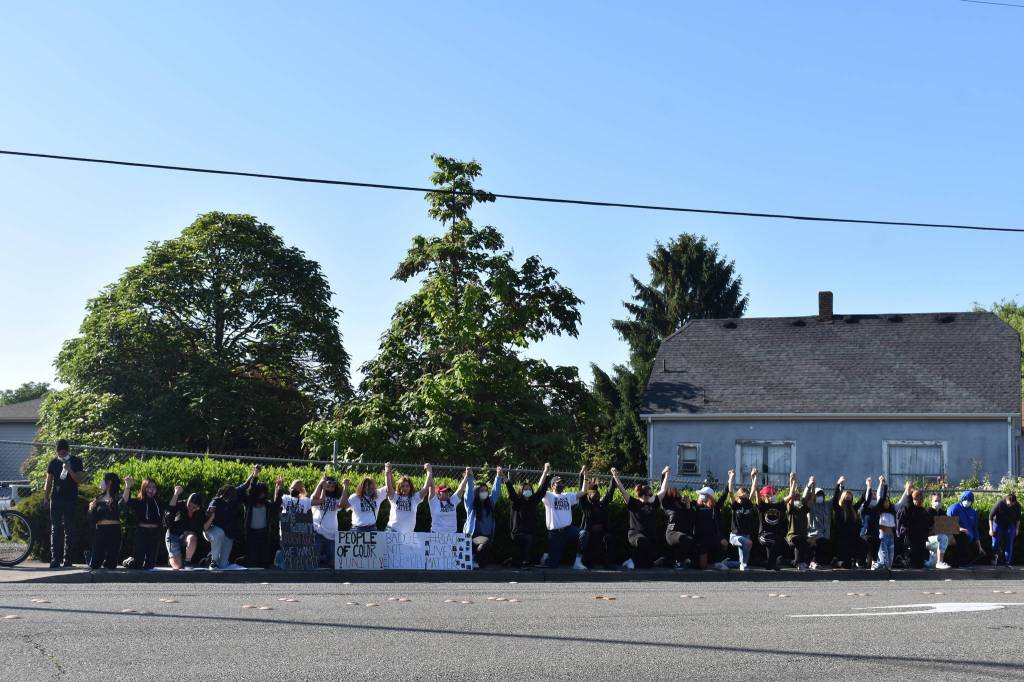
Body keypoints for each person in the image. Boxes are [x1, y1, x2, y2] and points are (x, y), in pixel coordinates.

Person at [42, 439, 84, 568]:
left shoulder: (76, 461)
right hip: (56, 499)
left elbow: (79, 480)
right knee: (55, 529)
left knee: (69, 529)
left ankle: (68, 560)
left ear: (67, 450)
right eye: (59, 452)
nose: (61, 454)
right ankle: (55, 559)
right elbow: (48, 482)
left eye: (63, 452)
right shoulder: (53, 463)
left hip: (70, 499)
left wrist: (69, 469)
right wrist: (46, 497)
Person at [204, 468, 255, 570]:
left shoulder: (235, 496)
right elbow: (206, 522)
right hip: (212, 530)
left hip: (228, 533)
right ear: (224, 495)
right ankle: (213, 561)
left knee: (223, 565)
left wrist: (255, 473)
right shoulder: (216, 502)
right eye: (229, 496)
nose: (232, 498)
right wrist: (211, 514)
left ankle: (211, 558)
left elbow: (246, 485)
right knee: (220, 533)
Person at [610, 467, 659, 569]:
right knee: (642, 541)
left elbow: (662, 491)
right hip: (635, 535)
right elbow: (623, 491)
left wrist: (666, 473)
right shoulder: (634, 503)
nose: (652, 496)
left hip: (649, 536)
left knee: (647, 565)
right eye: (650, 494)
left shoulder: (652, 505)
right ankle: (630, 561)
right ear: (644, 496)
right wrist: (615, 476)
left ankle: (638, 562)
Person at [541, 463, 585, 569]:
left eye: (562, 483)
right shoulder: (548, 496)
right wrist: (545, 472)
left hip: (568, 530)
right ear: (552, 486)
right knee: (553, 565)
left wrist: (585, 476)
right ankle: (546, 556)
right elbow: (540, 487)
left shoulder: (567, 496)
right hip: (555, 533)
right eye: (558, 483)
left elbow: (583, 492)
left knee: (583, 534)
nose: (561, 484)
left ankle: (578, 562)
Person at [504, 471, 548, 568]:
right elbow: (511, 492)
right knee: (518, 556)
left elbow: (541, 491)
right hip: (517, 533)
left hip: (529, 533)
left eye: (529, 489)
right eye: (525, 489)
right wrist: (506, 480)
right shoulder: (517, 501)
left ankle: (523, 560)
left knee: (529, 542)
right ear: (521, 490)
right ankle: (515, 560)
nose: (527, 490)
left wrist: (547, 474)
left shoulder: (533, 501)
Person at [87, 472, 130, 570]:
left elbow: (123, 502)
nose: (101, 482)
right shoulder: (98, 498)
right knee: (94, 565)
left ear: (109, 482)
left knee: (111, 565)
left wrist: (127, 487)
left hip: (114, 530)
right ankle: (91, 558)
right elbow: (92, 519)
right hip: (100, 531)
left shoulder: (116, 497)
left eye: (103, 480)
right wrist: (91, 509)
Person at [464, 466, 504, 568]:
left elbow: (496, 492)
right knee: (483, 545)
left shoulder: (490, 502)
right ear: (477, 492)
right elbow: (468, 493)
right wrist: (470, 477)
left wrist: (498, 477)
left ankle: (475, 559)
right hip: (473, 536)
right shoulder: (471, 504)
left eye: (486, 490)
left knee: (483, 564)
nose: (484, 492)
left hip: (487, 535)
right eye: (482, 490)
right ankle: (473, 558)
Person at [658, 466, 696, 569]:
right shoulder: (667, 504)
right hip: (671, 533)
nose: (678, 491)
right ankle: (679, 562)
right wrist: (665, 474)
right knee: (685, 539)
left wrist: (688, 503)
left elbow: (690, 516)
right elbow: (663, 488)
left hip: (682, 532)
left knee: (689, 540)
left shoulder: (682, 504)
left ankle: (680, 560)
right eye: (676, 490)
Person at [125, 477, 164, 570]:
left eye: (154, 487)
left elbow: (171, 507)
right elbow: (125, 501)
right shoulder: (139, 501)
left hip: (155, 533)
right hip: (142, 532)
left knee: (150, 565)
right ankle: (128, 561)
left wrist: (176, 494)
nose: (151, 490)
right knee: (137, 565)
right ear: (144, 488)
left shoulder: (158, 502)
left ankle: (141, 561)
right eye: (149, 487)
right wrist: (128, 486)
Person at [751, 468, 786, 570]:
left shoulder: (777, 506)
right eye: (769, 495)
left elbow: (790, 496)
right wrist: (754, 477)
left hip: (773, 535)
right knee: (777, 540)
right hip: (763, 535)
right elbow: (757, 491)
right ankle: (771, 564)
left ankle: (770, 564)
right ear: (763, 496)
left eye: (773, 494)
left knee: (778, 541)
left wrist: (792, 481)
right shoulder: (762, 506)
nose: (771, 496)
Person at [164, 488, 205, 570]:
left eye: (194, 507)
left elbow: (199, 529)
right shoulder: (180, 505)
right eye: (189, 504)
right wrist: (176, 494)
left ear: (198, 507)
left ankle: (187, 561)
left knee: (192, 537)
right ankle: (171, 557)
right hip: (173, 534)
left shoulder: (200, 512)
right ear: (187, 501)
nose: (190, 508)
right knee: (178, 566)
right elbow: (169, 512)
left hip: (186, 536)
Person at [311, 475, 346, 567]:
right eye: (328, 485)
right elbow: (313, 499)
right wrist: (321, 483)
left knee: (332, 563)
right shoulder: (319, 498)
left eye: (332, 486)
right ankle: (320, 557)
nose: (330, 487)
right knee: (314, 561)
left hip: (332, 535)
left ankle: (322, 557)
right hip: (318, 533)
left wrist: (345, 487)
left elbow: (342, 505)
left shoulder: (336, 499)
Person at [386, 463, 432, 533]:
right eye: (402, 486)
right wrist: (387, 471)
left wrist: (429, 471)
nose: (405, 488)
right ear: (399, 487)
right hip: (392, 531)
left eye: (407, 486)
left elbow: (425, 488)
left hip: (408, 534)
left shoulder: (415, 498)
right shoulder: (395, 496)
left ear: (410, 487)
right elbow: (389, 486)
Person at [895, 482, 931, 569]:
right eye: (915, 499)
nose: (917, 501)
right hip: (911, 538)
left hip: (921, 539)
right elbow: (908, 504)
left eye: (919, 498)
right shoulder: (909, 509)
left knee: (920, 562)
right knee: (912, 561)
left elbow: (927, 525)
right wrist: (908, 491)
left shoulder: (924, 511)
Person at [342, 467, 390, 532]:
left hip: (372, 528)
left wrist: (387, 473)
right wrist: (345, 487)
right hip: (357, 529)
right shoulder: (355, 497)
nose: (370, 489)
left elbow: (389, 488)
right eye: (367, 487)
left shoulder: (378, 494)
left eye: (372, 487)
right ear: (362, 487)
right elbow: (344, 506)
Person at [727, 469, 757, 571]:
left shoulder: (748, 505)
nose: (743, 499)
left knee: (742, 561)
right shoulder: (735, 505)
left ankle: (725, 563)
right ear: (738, 496)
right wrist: (731, 477)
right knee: (748, 543)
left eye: (745, 496)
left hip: (746, 535)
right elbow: (730, 491)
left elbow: (752, 492)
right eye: (741, 497)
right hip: (735, 536)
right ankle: (743, 565)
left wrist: (754, 477)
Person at [694, 483, 728, 571]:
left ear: (710, 496)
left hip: (713, 538)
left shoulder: (715, 508)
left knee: (724, 543)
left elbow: (724, 495)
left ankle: (719, 561)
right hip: (700, 539)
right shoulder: (696, 507)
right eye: (701, 495)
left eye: (704, 495)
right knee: (703, 567)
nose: (702, 496)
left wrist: (730, 479)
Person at [832, 476, 865, 569]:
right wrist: (839, 485)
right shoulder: (838, 509)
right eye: (847, 495)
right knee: (846, 565)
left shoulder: (853, 509)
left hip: (853, 538)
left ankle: (860, 562)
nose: (848, 496)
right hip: (842, 539)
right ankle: (836, 562)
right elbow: (835, 499)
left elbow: (862, 499)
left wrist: (868, 487)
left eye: (850, 495)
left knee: (864, 544)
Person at [243, 474, 273, 568]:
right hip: (251, 531)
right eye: (260, 492)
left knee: (263, 552)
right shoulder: (250, 503)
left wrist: (278, 489)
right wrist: (255, 476)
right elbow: (251, 490)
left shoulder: (267, 504)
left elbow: (276, 503)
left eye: (264, 492)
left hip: (263, 531)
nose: (262, 494)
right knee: (252, 553)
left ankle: (263, 563)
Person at [947, 490, 983, 567]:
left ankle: (964, 562)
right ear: (962, 499)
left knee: (976, 552)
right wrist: (959, 528)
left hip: (969, 539)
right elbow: (948, 522)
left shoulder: (973, 512)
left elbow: (975, 529)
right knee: (962, 537)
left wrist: (979, 546)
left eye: (969, 500)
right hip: (956, 535)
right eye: (965, 499)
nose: (967, 501)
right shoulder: (954, 508)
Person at [785, 473, 813, 571]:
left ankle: (796, 562)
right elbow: (790, 496)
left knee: (809, 542)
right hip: (791, 536)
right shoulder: (791, 509)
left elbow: (811, 498)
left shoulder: (803, 509)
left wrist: (813, 485)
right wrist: (792, 481)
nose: (797, 499)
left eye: (798, 498)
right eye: (795, 498)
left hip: (802, 535)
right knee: (799, 540)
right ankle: (800, 563)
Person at [428, 468, 469, 534]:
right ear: (438, 493)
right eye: (444, 491)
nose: (447, 493)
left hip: (452, 535)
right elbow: (431, 486)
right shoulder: (434, 501)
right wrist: (429, 471)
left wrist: (466, 476)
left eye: (447, 491)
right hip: (436, 534)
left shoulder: (453, 500)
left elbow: (460, 489)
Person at [859, 476, 886, 568]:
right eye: (872, 498)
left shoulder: (876, 509)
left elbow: (881, 497)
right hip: (865, 535)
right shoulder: (864, 509)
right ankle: (861, 562)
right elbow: (867, 498)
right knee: (866, 545)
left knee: (876, 542)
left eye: (875, 498)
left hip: (874, 535)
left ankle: (873, 560)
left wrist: (882, 484)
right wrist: (869, 486)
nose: (874, 499)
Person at [989, 493, 1020, 567]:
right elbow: (990, 516)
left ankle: (1007, 561)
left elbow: (1018, 519)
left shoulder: (1017, 505)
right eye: (1009, 504)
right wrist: (991, 529)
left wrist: (1017, 529)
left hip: (1010, 524)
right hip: (998, 523)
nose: (1011, 505)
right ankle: (995, 556)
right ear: (1007, 500)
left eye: (1012, 504)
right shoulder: (1000, 504)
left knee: (1009, 541)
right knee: (995, 541)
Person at [806, 482, 832, 570]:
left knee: (824, 543)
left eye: (821, 494)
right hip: (813, 534)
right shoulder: (811, 505)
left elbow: (836, 499)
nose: (819, 496)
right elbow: (804, 499)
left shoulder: (827, 505)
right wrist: (810, 486)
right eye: (817, 495)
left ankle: (819, 562)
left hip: (825, 534)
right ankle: (813, 562)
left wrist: (840, 486)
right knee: (819, 543)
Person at [926, 493, 951, 570]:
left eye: (939, 501)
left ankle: (929, 562)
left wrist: (958, 528)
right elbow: (924, 529)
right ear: (931, 502)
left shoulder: (942, 513)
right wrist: (933, 528)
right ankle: (940, 562)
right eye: (935, 500)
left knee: (931, 565)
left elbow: (948, 526)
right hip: (927, 540)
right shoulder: (927, 512)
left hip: (937, 540)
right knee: (943, 538)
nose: (938, 502)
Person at [874, 494, 896, 570]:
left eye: (887, 501)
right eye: (884, 501)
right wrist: (882, 484)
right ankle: (875, 564)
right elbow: (879, 494)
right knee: (884, 561)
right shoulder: (878, 512)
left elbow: (902, 502)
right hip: (882, 536)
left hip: (891, 537)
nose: (886, 503)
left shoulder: (892, 512)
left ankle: (880, 565)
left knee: (890, 563)